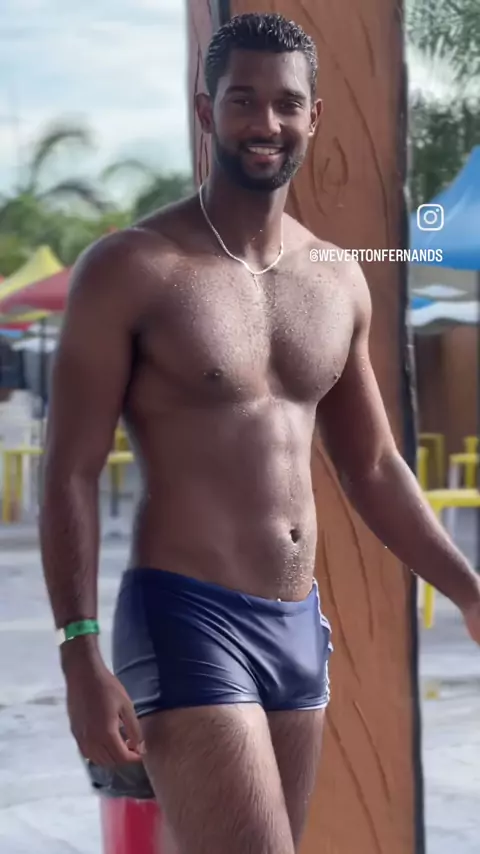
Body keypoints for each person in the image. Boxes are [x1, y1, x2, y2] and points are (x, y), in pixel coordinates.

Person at [39, 12, 480, 854]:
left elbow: (372, 464)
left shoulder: (337, 280)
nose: (265, 122)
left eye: (286, 103)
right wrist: (78, 650)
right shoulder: (132, 268)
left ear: (314, 115)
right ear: (205, 111)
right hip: (187, 615)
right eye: (242, 100)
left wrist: (467, 587)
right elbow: (69, 471)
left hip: (296, 627)